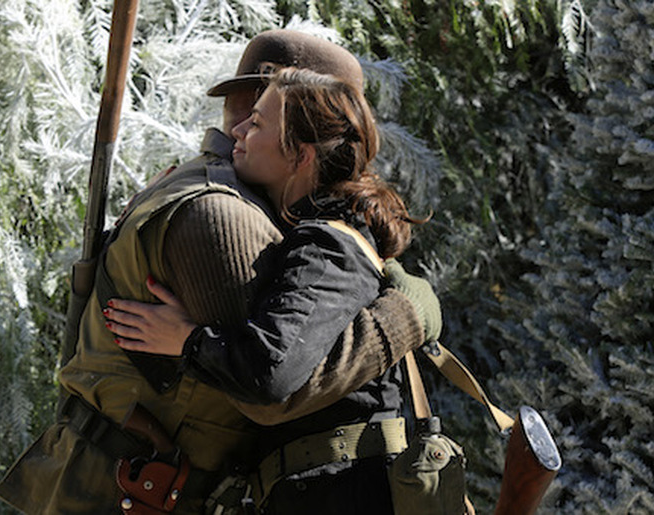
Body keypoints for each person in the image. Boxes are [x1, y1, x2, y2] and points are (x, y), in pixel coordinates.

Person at [0, 30, 440, 515]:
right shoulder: (224, 214)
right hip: (125, 488)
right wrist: (406, 315)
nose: (245, 127)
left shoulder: (252, 206)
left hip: (136, 482)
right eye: (256, 114)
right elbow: (272, 389)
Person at [107, 66, 432, 514]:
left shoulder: (329, 246)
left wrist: (186, 341)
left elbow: (271, 373)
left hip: (347, 494)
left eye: (257, 123)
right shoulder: (321, 233)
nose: (238, 130)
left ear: (300, 157)